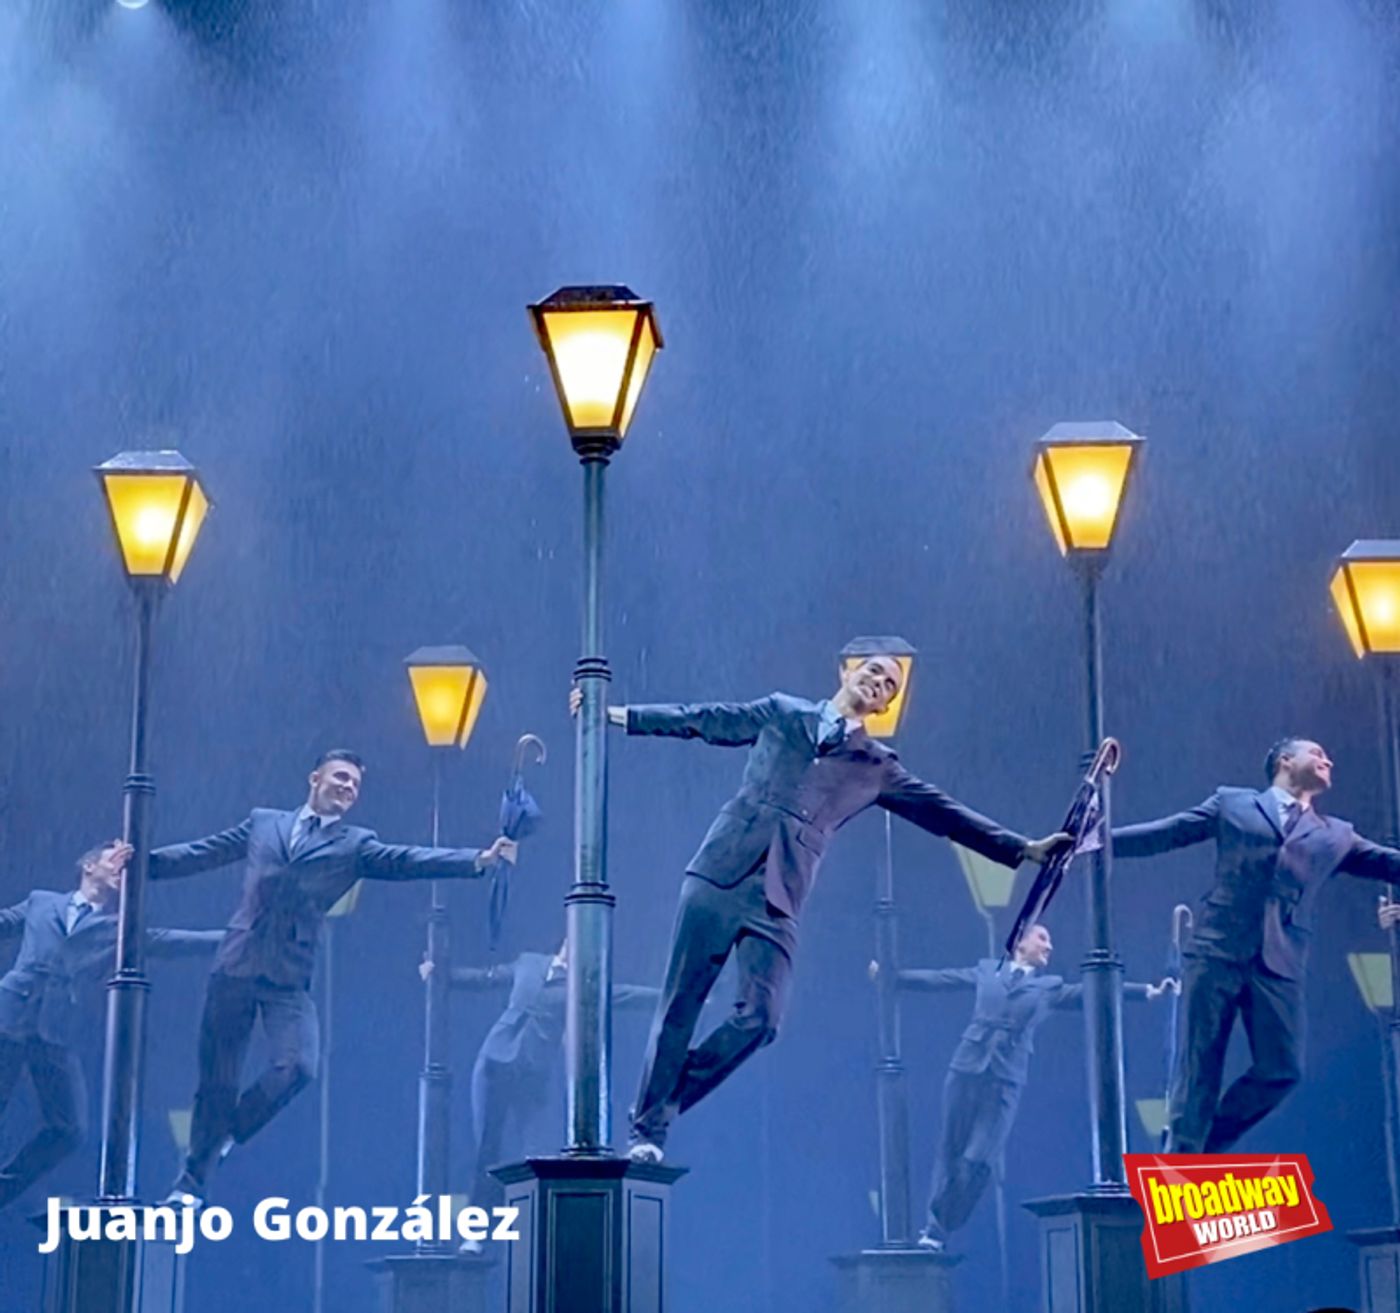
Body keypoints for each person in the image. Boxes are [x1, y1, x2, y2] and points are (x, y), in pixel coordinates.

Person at [575, 652, 1072, 1161]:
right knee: (681, 1002)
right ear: (846, 673)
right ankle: (647, 1134)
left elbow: (942, 812)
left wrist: (1021, 848)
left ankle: (662, 1100)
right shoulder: (782, 712)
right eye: (873, 671)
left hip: (779, 894)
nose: (879, 681)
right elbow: (706, 720)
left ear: (885, 706)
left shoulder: (876, 767)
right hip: (719, 869)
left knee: (762, 1020)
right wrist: (619, 715)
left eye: (890, 684)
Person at [151, 749, 517, 1205]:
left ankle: (228, 1131)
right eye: (341, 778)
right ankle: (190, 1185)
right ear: (314, 779)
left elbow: (406, 860)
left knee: (298, 1066)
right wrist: (145, 865)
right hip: (237, 962)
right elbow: (204, 852)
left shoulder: (355, 844)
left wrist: (476, 860)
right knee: (217, 1081)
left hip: (289, 973)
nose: (348, 787)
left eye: (355, 785)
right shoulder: (264, 823)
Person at [1112, 737, 1400, 1152]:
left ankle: (1197, 1150)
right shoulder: (1234, 803)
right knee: (1198, 1070)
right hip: (1216, 949)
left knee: (1283, 1070)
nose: (1328, 760)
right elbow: (1169, 833)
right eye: (1317, 754)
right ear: (1285, 760)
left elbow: (1390, 862)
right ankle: (1183, 1164)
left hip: (1280, 963)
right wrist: (1098, 841)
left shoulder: (1337, 834)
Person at [886, 923, 1174, 1251]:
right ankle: (934, 1231)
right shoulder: (987, 970)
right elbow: (941, 979)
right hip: (967, 1065)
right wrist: (891, 976)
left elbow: (1091, 991)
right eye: (1042, 938)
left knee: (977, 1157)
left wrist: (1146, 991)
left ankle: (947, 1215)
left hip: (1006, 1077)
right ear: (1020, 941)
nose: (1049, 946)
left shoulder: (1049, 987)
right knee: (949, 1149)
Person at [0, 839, 222, 1208]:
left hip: (54, 1031)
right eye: (114, 863)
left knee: (70, 1129)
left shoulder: (118, 927)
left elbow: (168, 941)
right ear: (89, 866)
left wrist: (238, 938)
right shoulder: (43, 902)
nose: (123, 872)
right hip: (8, 1016)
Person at [425, 937, 659, 1251]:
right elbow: (488, 977)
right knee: (487, 1148)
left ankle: (534, 1229)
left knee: (536, 1151)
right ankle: (476, 1233)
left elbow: (626, 995)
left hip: (533, 1075)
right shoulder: (529, 962)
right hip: (494, 1063)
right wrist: (441, 973)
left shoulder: (582, 987)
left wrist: (671, 996)